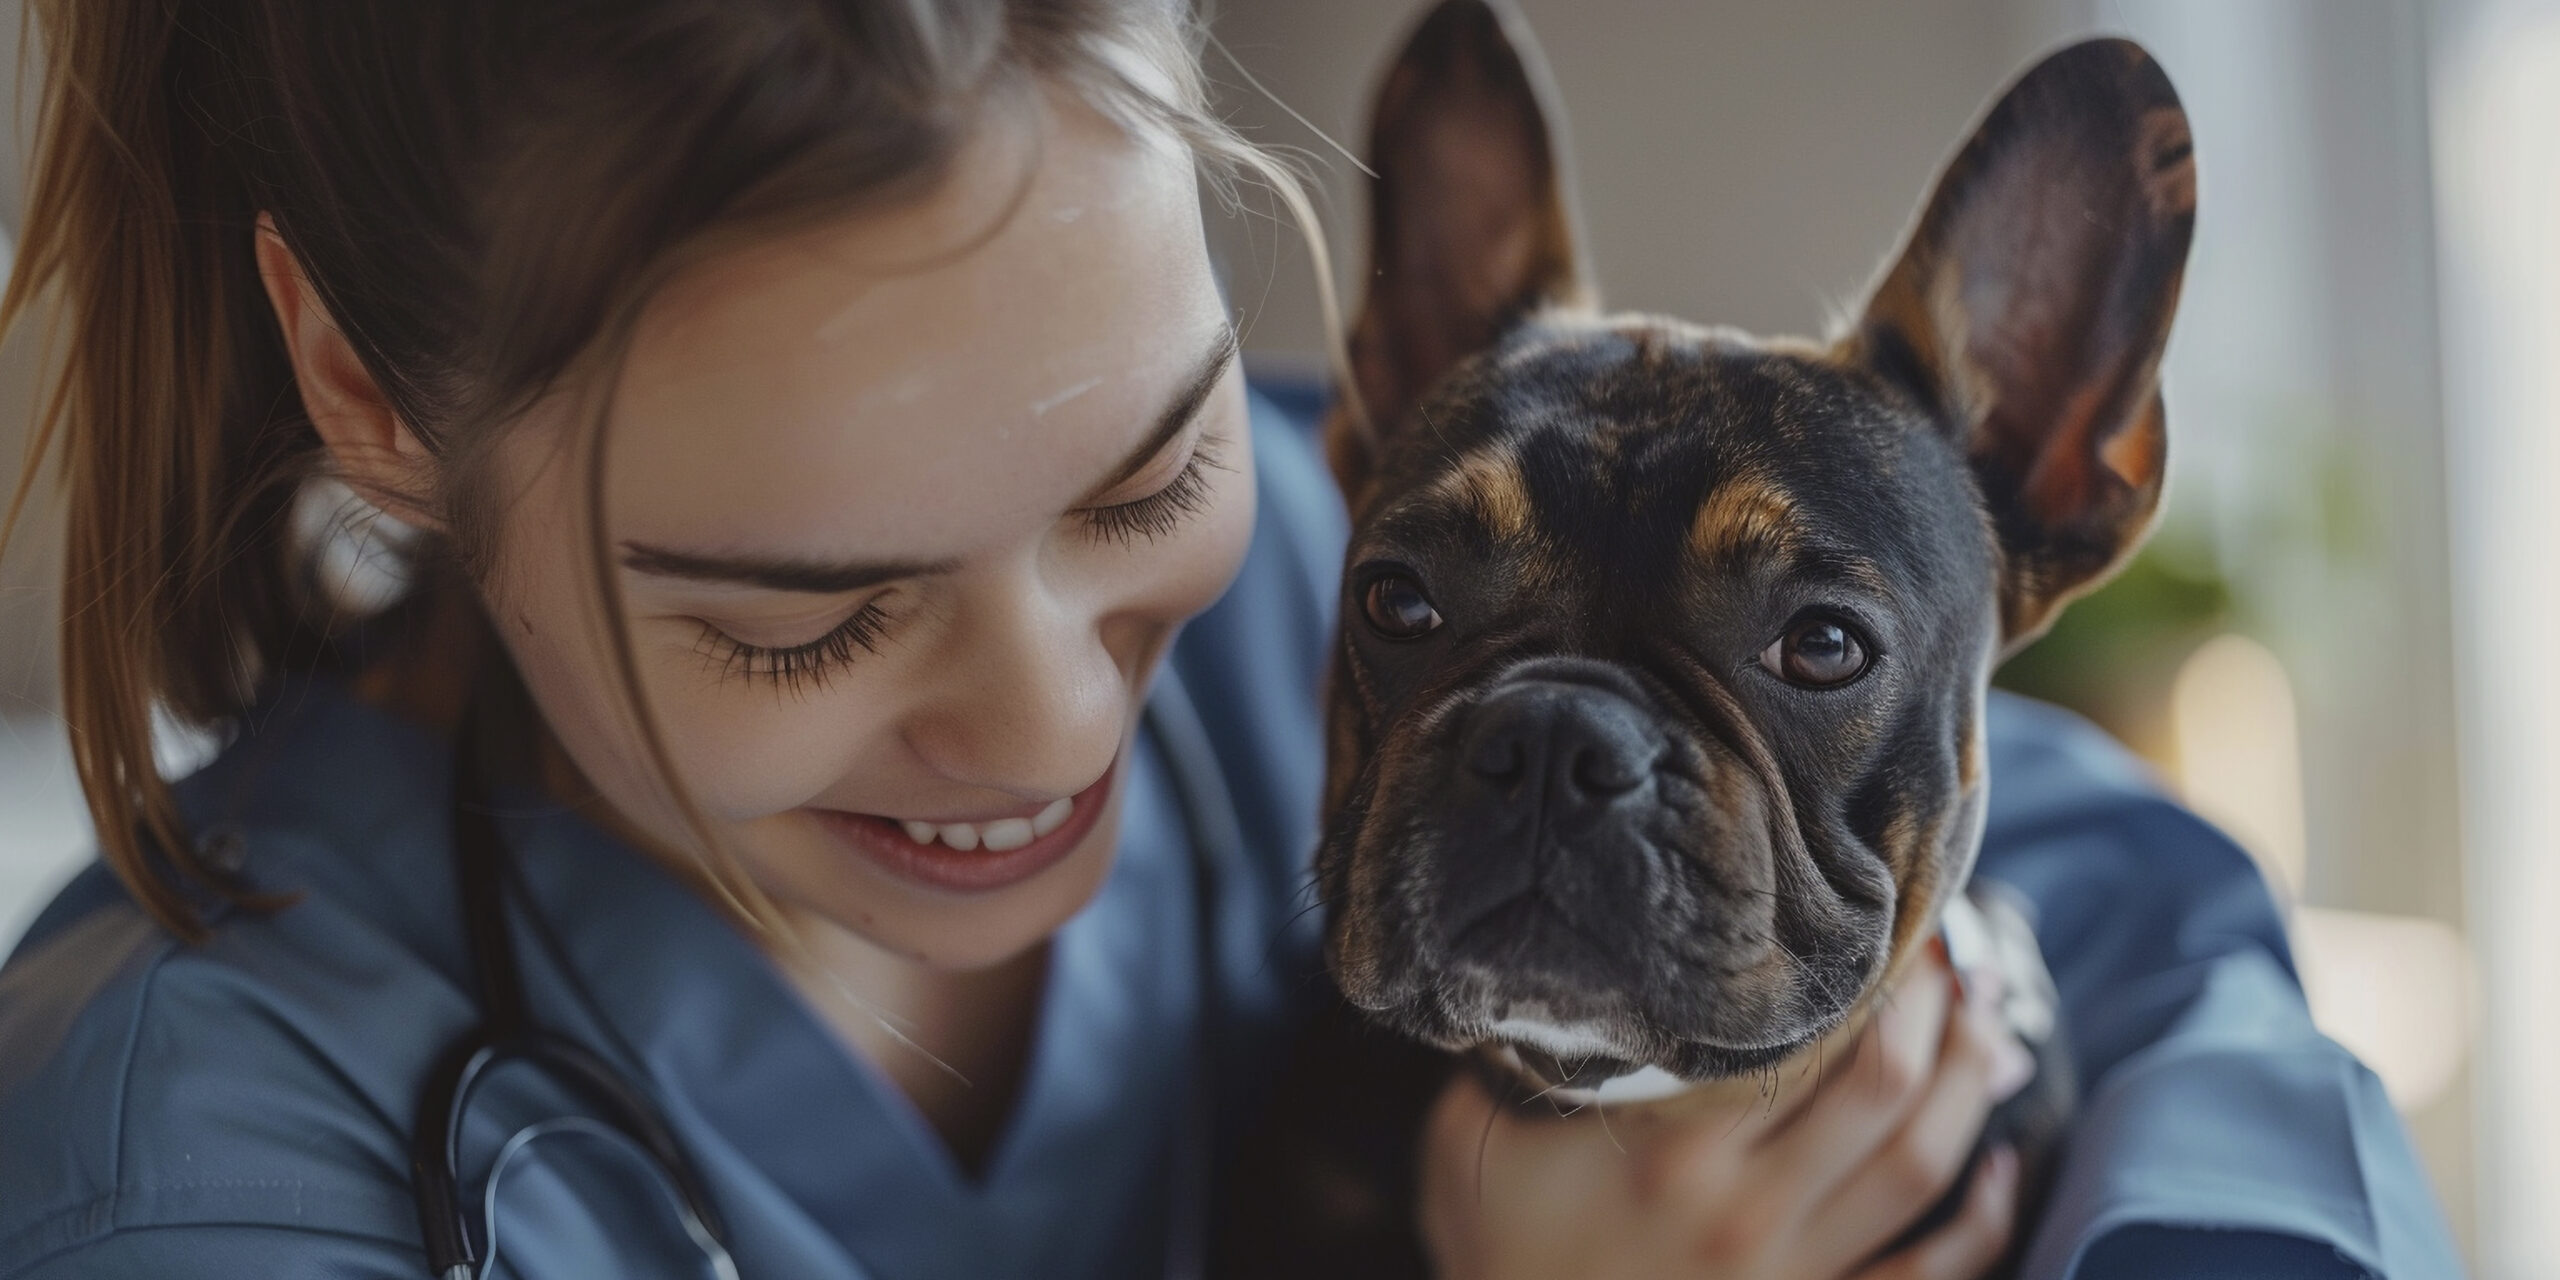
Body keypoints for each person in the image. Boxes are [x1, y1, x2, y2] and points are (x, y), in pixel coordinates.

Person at [0, 1, 2459, 1277]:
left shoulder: (1397, 553)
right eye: (807, 612)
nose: (1058, 705)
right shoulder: (200, 1167)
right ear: (369, 397)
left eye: (1144, 474)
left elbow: (2136, 903)